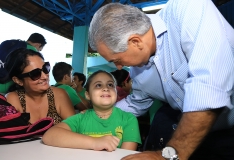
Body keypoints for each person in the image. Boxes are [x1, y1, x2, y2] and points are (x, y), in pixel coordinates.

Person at [88, 1, 234, 160]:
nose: (118, 67)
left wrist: (167, 155)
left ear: (135, 42)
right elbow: (136, 103)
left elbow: (209, 87)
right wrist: (93, 117)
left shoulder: (189, 8)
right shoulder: (139, 70)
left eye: (117, 59)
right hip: (193, 135)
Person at [42, 70, 142, 151]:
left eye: (110, 85)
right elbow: (49, 136)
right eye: (98, 85)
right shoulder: (81, 118)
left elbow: (126, 156)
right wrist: (95, 142)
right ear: (88, 95)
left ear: (116, 92)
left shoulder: (129, 119)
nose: (105, 88)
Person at [5, 48, 75, 125]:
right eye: (35, 73)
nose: (45, 77)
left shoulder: (59, 95)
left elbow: (74, 128)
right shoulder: (12, 99)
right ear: (18, 80)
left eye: (45, 68)